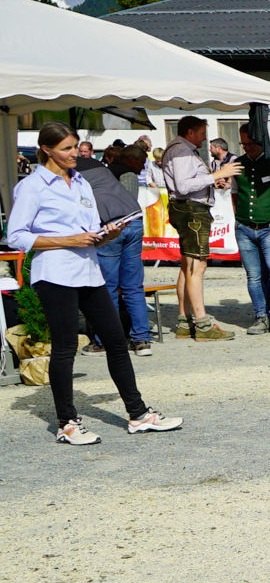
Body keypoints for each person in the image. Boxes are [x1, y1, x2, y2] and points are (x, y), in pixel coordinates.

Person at [6, 123, 182, 444]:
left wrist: (107, 234)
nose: (75, 154)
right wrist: (69, 239)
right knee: (65, 347)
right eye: (67, 149)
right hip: (55, 274)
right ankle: (67, 423)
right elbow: (17, 236)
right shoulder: (32, 186)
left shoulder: (82, 182)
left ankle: (138, 414)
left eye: (76, 146)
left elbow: (88, 235)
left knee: (116, 340)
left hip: (88, 271)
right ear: (46, 150)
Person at [161, 116, 239, 340]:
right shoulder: (182, 151)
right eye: (201, 132)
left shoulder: (181, 149)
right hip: (191, 210)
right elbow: (184, 186)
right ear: (189, 132)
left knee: (188, 264)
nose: (205, 137)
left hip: (188, 208)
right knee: (197, 264)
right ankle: (202, 323)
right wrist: (217, 175)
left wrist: (209, 181)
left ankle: (185, 320)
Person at [73, 144, 149, 356]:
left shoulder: (73, 175)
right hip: (133, 219)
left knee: (108, 288)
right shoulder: (101, 168)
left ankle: (105, 341)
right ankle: (141, 340)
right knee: (133, 285)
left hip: (110, 225)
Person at [231, 124, 270, 335]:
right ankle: (261, 316)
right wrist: (239, 219)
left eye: (251, 143)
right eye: (244, 144)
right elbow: (234, 193)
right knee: (253, 276)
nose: (247, 148)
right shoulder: (237, 164)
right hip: (244, 228)